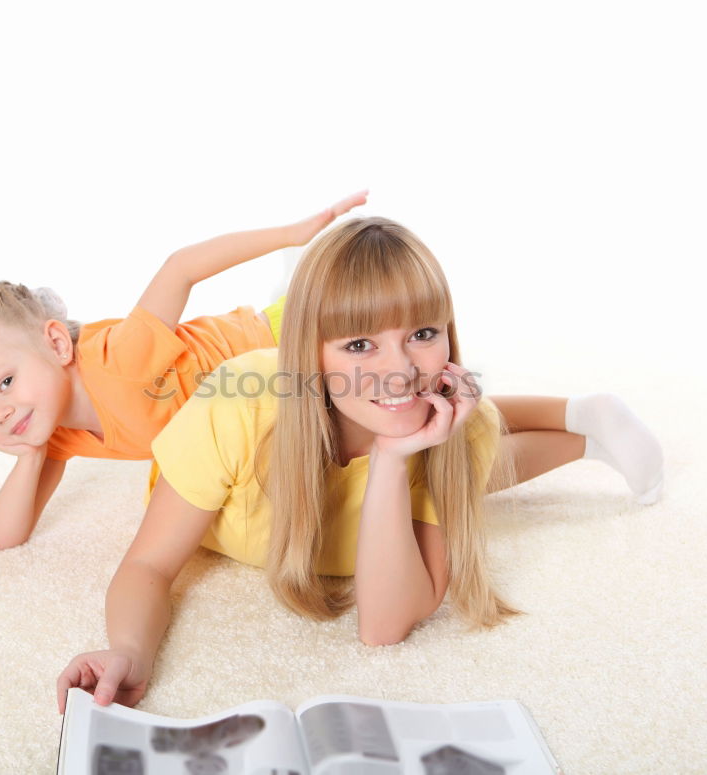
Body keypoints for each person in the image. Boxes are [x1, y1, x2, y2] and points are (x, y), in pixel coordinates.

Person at [56, 216, 664, 712]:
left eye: (424, 333)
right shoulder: (239, 403)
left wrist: (397, 459)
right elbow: (149, 562)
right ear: (309, 349)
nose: (400, 364)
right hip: (307, 411)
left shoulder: (442, 429)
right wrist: (128, 652)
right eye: (359, 343)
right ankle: (586, 429)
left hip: (424, 435)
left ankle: (585, 424)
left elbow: (383, 627)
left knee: (473, 443)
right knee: (467, 439)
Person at [0, 191, 368, 549]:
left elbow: (180, 268)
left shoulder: (119, 359)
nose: (1, 411)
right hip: (269, 402)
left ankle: (311, 274)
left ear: (58, 344)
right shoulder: (54, 434)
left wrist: (294, 234)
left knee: (390, 361)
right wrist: (28, 453)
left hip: (288, 338)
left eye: (6, 382)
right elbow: (6, 537)